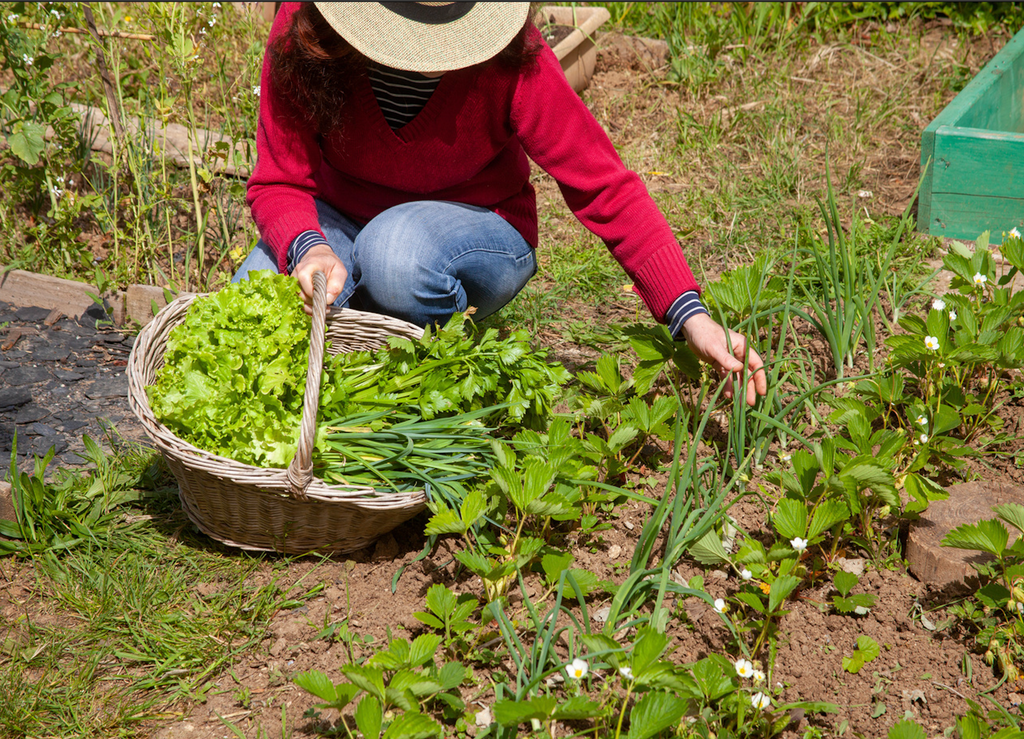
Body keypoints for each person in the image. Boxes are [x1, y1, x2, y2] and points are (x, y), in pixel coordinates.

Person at [236, 2, 767, 405]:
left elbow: (604, 184)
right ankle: (365, 348)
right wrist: (309, 250)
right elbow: (278, 181)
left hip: (476, 230)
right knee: (254, 303)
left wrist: (689, 314)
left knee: (394, 255)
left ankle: (422, 366)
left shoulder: (511, 56)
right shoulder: (304, 33)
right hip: (340, 218)